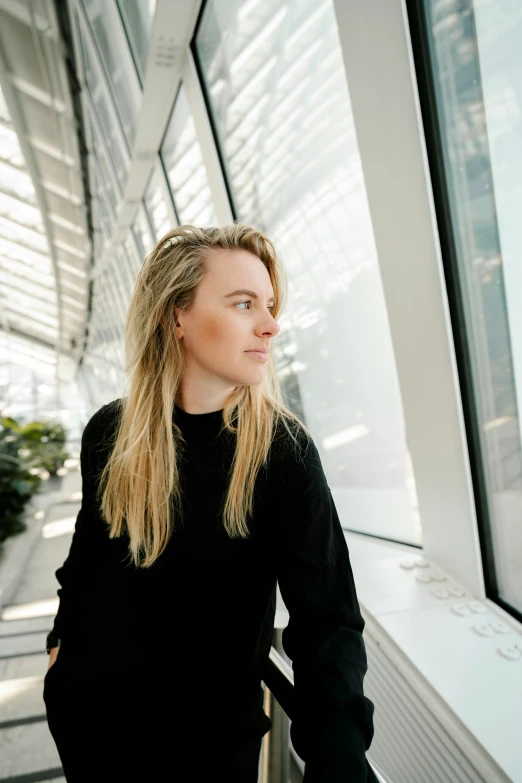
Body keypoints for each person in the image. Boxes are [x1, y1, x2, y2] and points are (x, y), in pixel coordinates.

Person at [43, 223, 376, 782]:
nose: (270, 325)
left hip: (214, 753)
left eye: (269, 305)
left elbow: (329, 624)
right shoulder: (112, 434)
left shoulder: (282, 452)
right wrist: (60, 662)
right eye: (245, 303)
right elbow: (86, 574)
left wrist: (338, 762)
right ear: (177, 317)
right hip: (95, 738)